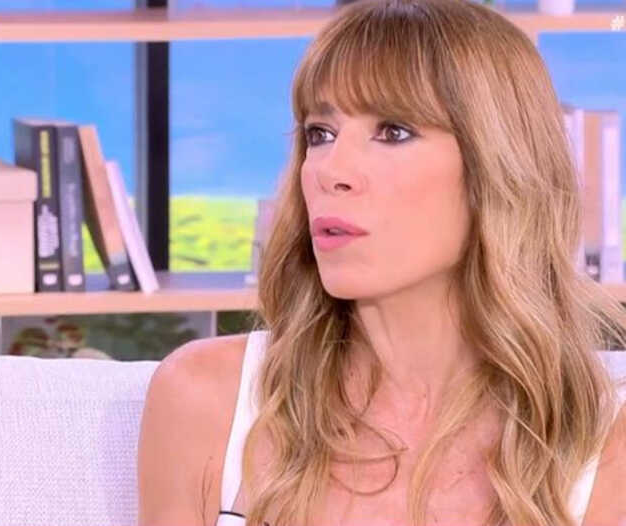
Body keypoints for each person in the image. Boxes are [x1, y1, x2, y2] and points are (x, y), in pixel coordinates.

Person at [137, 0, 626, 524]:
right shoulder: (205, 399)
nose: (330, 171)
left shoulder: (605, 449)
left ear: (496, 166)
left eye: (393, 131)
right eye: (320, 134)